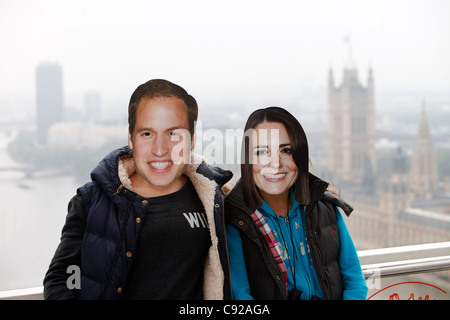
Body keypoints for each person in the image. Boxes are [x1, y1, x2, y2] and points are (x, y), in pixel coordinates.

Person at [43, 79, 233, 300]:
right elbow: (63, 277)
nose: (160, 150)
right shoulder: (91, 201)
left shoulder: (213, 198)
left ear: (192, 139)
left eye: (173, 134)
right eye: (147, 134)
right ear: (131, 139)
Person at [225, 106, 367, 300]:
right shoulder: (236, 221)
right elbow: (240, 296)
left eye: (286, 150)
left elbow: (354, 278)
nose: (275, 163)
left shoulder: (324, 207)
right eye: (261, 152)